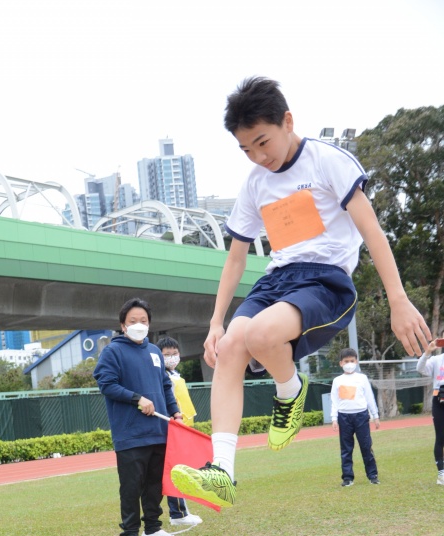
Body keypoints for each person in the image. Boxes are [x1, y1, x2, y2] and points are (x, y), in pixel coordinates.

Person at [171, 76, 431, 509]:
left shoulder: (328, 161)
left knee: (259, 334)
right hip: (277, 279)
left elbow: (372, 231)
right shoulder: (255, 183)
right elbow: (235, 259)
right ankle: (222, 471)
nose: (259, 156)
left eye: (262, 142)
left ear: (287, 121)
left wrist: (398, 299)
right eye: (246, 149)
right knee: (232, 343)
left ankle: (290, 389)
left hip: (325, 280)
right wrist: (216, 322)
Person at [93, 298, 184, 536]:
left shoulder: (154, 351)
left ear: (149, 324)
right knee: (132, 486)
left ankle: (153, 529)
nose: (138, 325)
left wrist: (175, 412)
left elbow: (165, 385)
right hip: (130, 433)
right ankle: (130, 534)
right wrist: (137, 399)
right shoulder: (113, 352)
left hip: (159, 430)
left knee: (155, 483)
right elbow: (106, 384)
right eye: (132, 321)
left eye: (143, 320)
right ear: (123, 325)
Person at [156, 336, 203, 527]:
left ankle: (181, 511)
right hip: (174, 429)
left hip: (184, 428)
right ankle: (178, 513)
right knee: (176, 471)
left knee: (181, 470)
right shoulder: (163, 377)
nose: (172, 357)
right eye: (167, 355)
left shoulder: (176, 375)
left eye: (175, 353)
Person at [330, 348, 380, 486]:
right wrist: (334, 418)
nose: (349, 364)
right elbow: (334, 400)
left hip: (361, 416)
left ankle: (372, 475)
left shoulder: (362, 378)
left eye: (352, 361)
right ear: (341, 363)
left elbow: (369, 397)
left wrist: (375, 415)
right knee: (346, 448)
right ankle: (347, 478)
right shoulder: (337, 381)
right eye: (346, 361)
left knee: (366, 446)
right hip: (344, 416)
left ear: (356, 361)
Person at [416, 339, 444, 486]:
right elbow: (420, 368)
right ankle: (441, 474)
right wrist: (427, 352)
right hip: (439, 400)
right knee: (440, 437)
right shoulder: (436, 360)